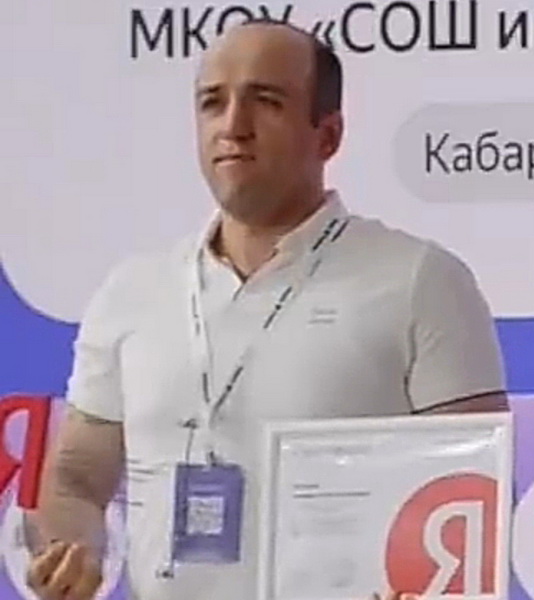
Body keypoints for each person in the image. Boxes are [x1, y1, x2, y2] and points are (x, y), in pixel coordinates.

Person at [26, 19, 507, 600]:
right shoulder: (132, 291)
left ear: (328, 135)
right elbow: (77, 476)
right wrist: (72, 550)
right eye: (212, 102)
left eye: (266, 101)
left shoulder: (421, 281)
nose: (233, 125)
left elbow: (468, 497)